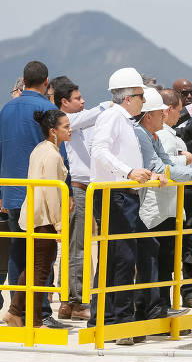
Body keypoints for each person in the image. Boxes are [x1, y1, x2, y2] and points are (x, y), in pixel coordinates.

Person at [88, 68, 166, 344]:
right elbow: (99, 150)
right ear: (129, 97)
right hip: (116, 195)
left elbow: (117, 155)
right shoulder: (114, 117)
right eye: (142, 96)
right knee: (122, 260)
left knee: (115, 259)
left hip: (121, 193)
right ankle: (119, 321)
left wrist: (142, 173)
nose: (144, 102)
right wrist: (129, 172)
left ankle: (104, 318)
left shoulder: (121, 119)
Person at [134, 88, 192, 322]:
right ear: (149, 115)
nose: (165, 115)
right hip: (154, 208)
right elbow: (161, 167)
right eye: (161, 112)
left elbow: (168, 162)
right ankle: (150, 309)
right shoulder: (145, 134)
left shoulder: (155, 135)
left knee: (164, 262)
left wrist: (191, 169)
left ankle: (158, 308)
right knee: (152, 263)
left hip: (165, 207)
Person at [0, 61, 68, 328]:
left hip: (12, 192)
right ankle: (39, 312)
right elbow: (57, 152)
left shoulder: (6, 110)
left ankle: (19, 310)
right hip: (39, 194)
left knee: (20, 252)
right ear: (46, 82)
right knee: (43, 256)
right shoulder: (48, 109)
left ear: (24, 81)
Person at [49, 76, 111, 320]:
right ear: (64, 102)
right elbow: (95, 114)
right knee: (78, 247)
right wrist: (111, 105)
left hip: (87, 188)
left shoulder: (79, 122)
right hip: (78, 189)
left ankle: (69, 299)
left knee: (76, 247)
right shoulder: (69, 120)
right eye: (77, 98)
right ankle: (75, 301)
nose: (83, 101)